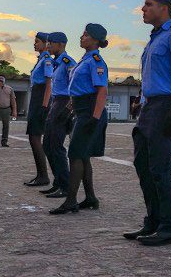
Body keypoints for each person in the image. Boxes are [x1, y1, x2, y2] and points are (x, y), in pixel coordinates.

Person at [123, 0, 171, 246]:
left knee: (161, 168)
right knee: (143, 165)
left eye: (148, 4)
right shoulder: (155, 38)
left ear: (164, 8)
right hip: (150, 107)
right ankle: (153, 220)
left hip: (166, 106)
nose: (143, 9)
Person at [49, 24, 109, 215]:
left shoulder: (96, 61)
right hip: (81, 109)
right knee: (82, 155)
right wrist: (69, 109)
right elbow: (77, 91)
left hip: (90, 111)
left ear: (94, 39)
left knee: (75, 154)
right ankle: (90, 197)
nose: (81, 37)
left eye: (85, 35)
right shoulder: (84, 60)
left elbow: (102, 90)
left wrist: (95, 117)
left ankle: (71, 200)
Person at [41, 32, 76, 198]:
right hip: (55, 103)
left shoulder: (68, 62)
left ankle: (66, 185)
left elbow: (75, 86)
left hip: (63, 104)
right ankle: (58, 182)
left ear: (61, 44)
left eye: (51, 43)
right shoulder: (56, 63)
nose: (48, 46)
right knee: (47, 145)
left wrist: (69, 109)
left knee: (56, 146)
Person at [24, 32, 53, 187]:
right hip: (36, 96)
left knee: (35, 137)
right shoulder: (41, 59)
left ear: (45, 43)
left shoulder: (47, 60)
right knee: (32, 137)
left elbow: (49, 83)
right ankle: (40, 174)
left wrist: (44, 105)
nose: (34, 44)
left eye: (37, 42)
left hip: (41, 97)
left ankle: (43, 176)